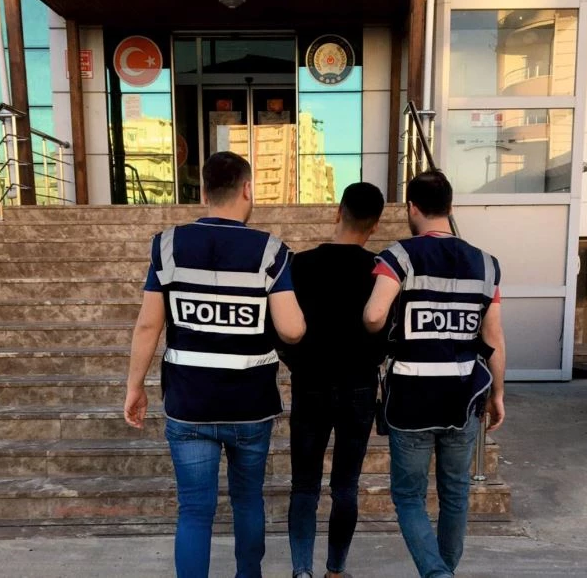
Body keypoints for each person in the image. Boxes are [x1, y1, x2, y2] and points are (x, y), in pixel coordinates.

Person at [123, 151, 306, 578]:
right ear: (247, 189)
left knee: (194, 511)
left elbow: (148, 325)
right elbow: (293, 330)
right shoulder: (270, 251)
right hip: (251, 406)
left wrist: (135, 386)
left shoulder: (168, 246)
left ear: (203, 192)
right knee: (248, 501)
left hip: (189, 405)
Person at [363, 170, 506, 578]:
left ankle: (436, 573)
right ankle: (444, 571)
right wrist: (498, 394)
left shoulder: (399, 257)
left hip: (412, 398)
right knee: (455, 494)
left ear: (411, 208)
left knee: (409, 497)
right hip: (464, 397)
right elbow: (493, 336)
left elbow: (373, 315)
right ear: (450, 207)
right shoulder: (486, 264)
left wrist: (381, 326)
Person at [280, 182, 387, 578]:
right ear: (375, 225)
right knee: (345, 486)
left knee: (304, 485)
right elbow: (387, 331)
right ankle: (336, 570)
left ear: (337, 212)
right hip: (359, 386)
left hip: (310, 383)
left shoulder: (300, 264)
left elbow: (281, 328)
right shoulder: (381, 271)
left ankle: (301, 571)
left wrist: (297, 362)